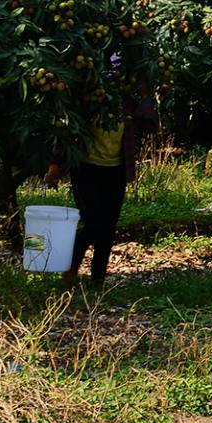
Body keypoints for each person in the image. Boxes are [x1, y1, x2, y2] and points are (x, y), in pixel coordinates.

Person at [62, 67, 158, 289]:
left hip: (115, 171)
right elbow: (68, 131)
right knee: (93, 222)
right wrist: (56, 165)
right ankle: (71, 266)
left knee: (108, 227)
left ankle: (98, 280)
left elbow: (151, 124)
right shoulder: (90, 103)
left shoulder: (126, 105)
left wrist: (145, 95)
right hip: (86, 169)